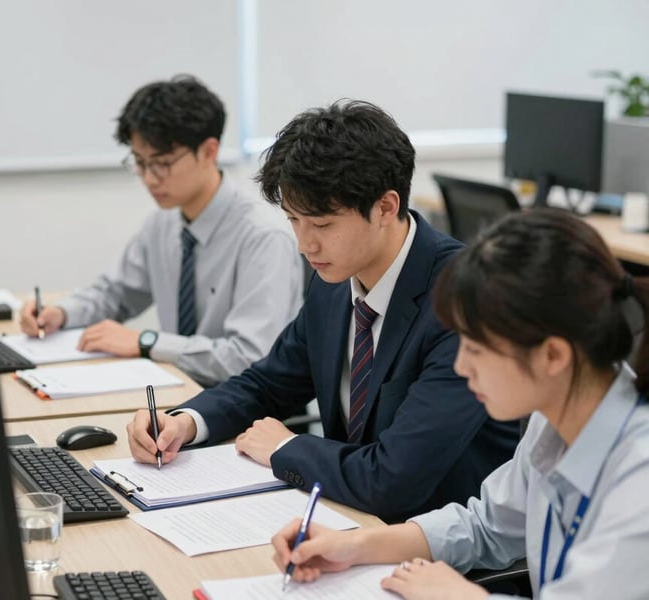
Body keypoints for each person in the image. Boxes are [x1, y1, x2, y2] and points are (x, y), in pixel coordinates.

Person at [127, 100, 519, 522]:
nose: (304, 245)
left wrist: (284, 447)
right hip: (340, 518)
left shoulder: (464, 304)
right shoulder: (336, 278)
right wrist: (186, 422)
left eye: (322, 225)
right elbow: (270, 384)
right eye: (294, 220)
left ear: (385, 207)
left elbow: (394, 481)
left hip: (434, 550)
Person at [270, 209, 649, 599]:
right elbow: (486, 525)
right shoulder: (554, 419)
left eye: (477, 347)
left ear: (553, 356)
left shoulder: (639, 480)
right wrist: (354, 546)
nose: (462, 366)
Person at [19, 75, 304, 387]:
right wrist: (61, 313)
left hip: (242, 408)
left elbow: (249, 357)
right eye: (140, 163)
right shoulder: (163, 223)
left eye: (162, 163)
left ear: (209, 152)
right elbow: (114, 294)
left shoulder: (262, 237)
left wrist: (148, 342)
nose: (149, 178)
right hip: (178, 388)